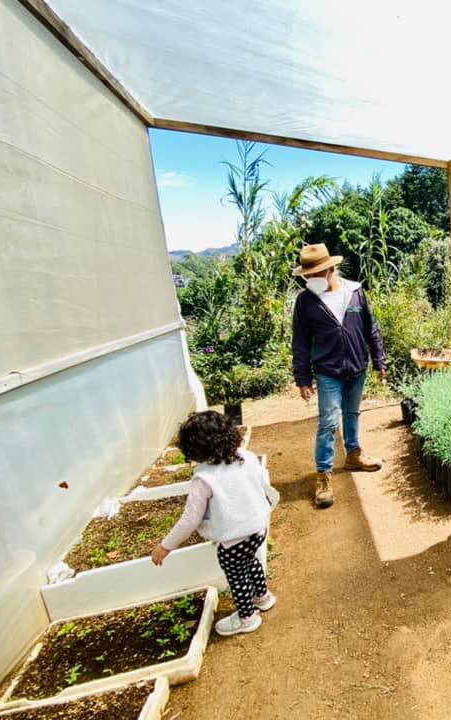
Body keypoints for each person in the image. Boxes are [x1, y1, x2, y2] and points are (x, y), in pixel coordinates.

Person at [151, 411, 278, 637]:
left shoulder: (204, 479)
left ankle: (247, 617)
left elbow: (190, 519)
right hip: (258, 528)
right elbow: (260, 483)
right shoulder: (246, 456)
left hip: (234, 540)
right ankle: (263, 597)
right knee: (251, 561)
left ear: (194, 448)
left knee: (237, 577)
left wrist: (165, 546)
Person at [291, 243, 388, 509]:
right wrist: (302, 378)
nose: (311, 279)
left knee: (352, 413)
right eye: (308, 275)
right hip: (328, 371)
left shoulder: (354, 292)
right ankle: (323, 474)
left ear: (331, 269)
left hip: (357, 367)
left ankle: (354, 454)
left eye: (316, 274)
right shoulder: (306, 301)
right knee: (328, 423)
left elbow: (371, 329)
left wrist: (379, 359)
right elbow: (300, 342)